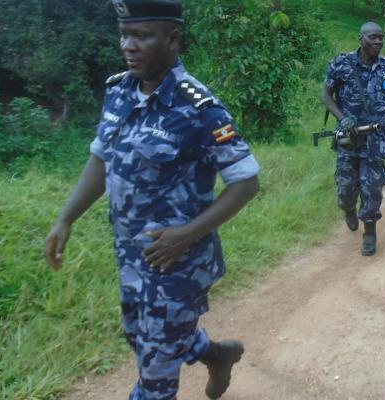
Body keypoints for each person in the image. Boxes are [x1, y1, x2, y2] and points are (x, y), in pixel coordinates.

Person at [43, 1, 260, 398]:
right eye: (125, 35)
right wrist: (65, 218)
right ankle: (214, 354)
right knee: (137, 335)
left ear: (173, 39)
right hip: (132, 255)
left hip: (178, 264)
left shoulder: (197, 107)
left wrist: (186, 235)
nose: (129, 45)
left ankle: (178, 364)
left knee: (153, 379)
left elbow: (246, 181)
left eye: (141, 36)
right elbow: (102, 158)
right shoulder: (118, 90)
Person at [321, 22, 385, 256]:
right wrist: (342, 118)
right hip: (348, 139)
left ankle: (370, 232)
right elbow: (326, 95)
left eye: (381, 38)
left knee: (372, 189)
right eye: (373, 37)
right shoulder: (342, 64)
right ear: (360, 39)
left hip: (374, 141)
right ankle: (348, 209)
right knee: (345, 189)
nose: (378, 41)